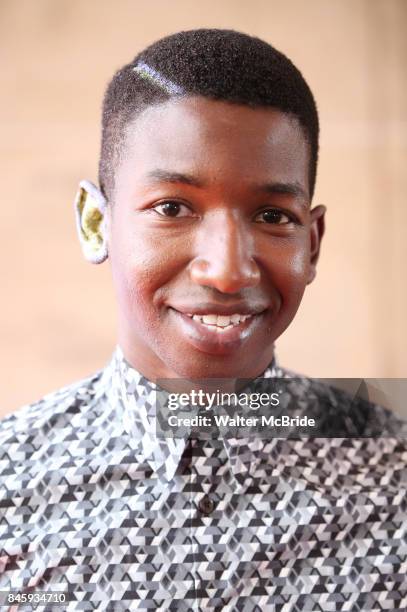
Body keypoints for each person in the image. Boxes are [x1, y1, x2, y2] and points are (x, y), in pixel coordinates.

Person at [1, 29, 406, 611]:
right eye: (172, 207)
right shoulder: (10, 490)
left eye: (272, 215)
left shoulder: (392, 471)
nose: (227, 271)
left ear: (311, 245)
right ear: (97, 224)